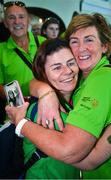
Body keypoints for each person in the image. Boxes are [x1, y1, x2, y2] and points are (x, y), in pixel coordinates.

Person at [6, 14, 111, 179]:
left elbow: (72, 152)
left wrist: (21, 124)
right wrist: (44, 91)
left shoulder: (102, 79)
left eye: (89, 40)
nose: (81, 48)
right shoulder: (84, 80)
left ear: (104, 46)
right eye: (74, 41)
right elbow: (34, 81)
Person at [22, 39, 80, 179]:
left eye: (71, 63)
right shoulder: (45, 111)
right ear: (43, 73)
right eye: (57, 67)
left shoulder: (76, 98)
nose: (68, 71)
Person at [0, 1, 45, 121]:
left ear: (28, 20)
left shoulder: (44, 43)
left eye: (21, 17)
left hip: (46, 108)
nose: (17, 22)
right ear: (5, 23)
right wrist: (17, 100)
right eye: (11, 17)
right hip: (17, 115)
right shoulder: (1, 50)